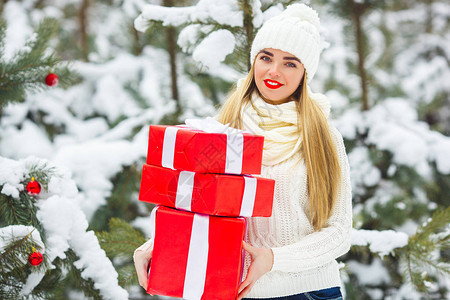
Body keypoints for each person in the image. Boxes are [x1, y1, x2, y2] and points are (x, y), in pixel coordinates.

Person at [134, 3, 352, 300]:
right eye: (266, 57)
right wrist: (152, 247)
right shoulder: (227, 128)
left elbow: (338, 232)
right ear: (254, 61)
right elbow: (195, 209)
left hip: (308, 291)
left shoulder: (322, 137)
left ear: (305, 73)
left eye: (290, 63)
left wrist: (273, 259)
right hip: (233, 290)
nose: (274, 71)